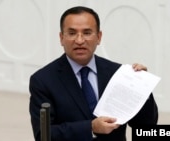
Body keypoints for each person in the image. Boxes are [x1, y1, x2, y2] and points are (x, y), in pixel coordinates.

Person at [29, 6, 158, 141]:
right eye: (72, 33)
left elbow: (145, 126)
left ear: (99, 37)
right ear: (61, 38)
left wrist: (142, 88)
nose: (79, 40)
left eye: (87, 33)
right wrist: (90, 128)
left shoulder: (118, 73)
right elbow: (44, 135)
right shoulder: (43, 80)